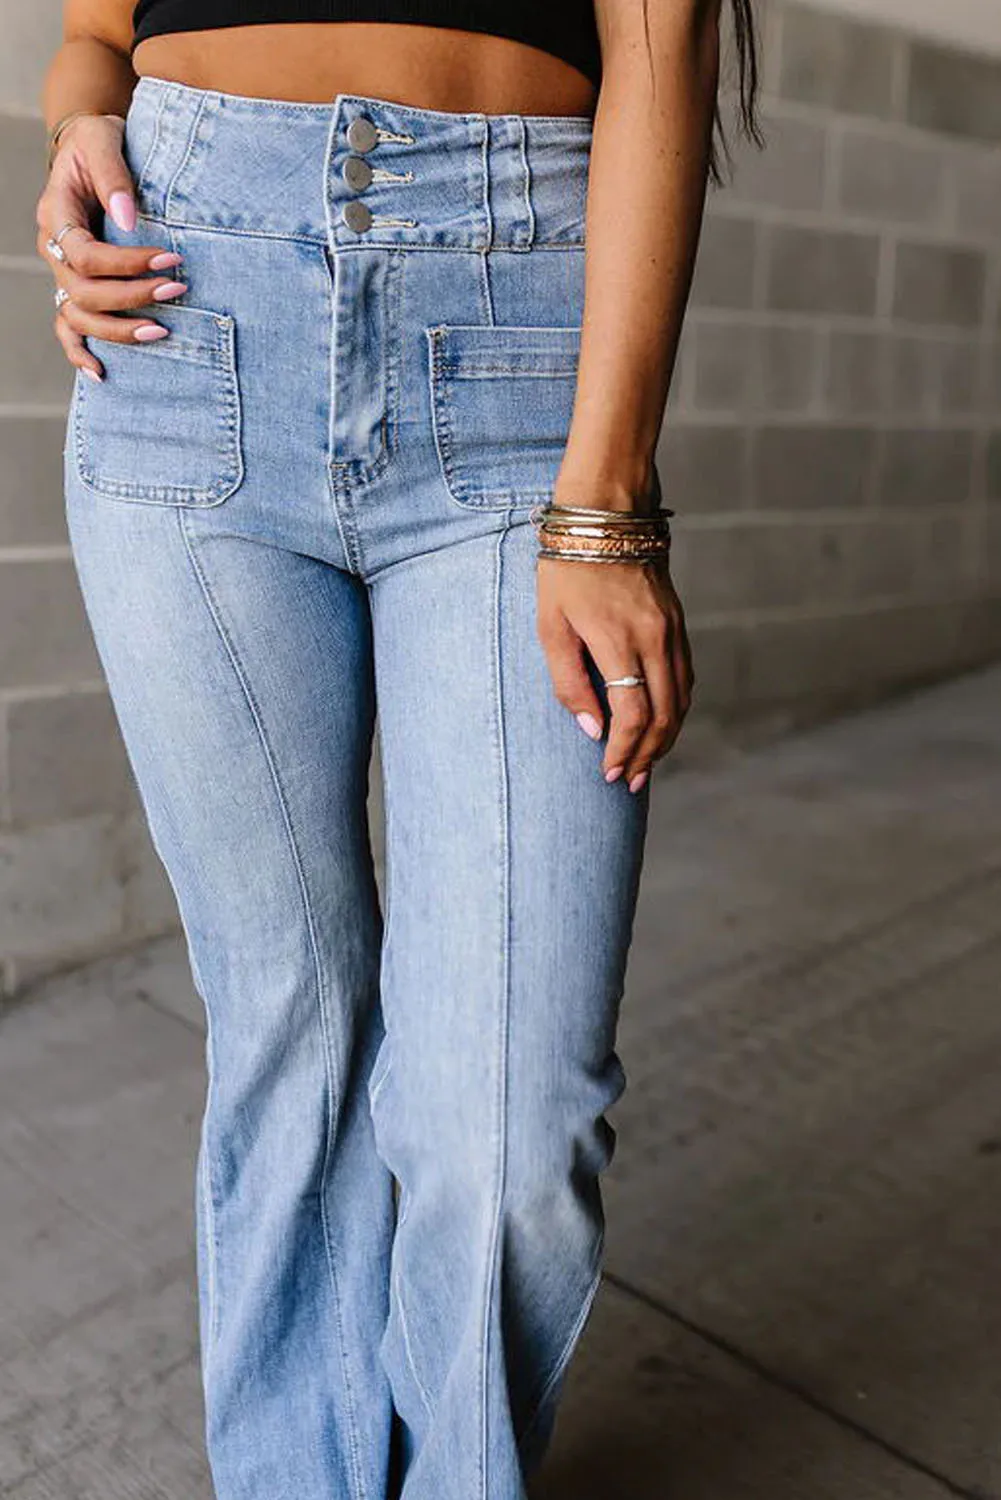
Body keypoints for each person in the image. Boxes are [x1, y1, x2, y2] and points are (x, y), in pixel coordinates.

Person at [36, 1, 757, 1495]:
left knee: (512, 1115)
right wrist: (80, 135)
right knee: (286, 1023)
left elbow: (663, 47)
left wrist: (606, 504)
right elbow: (96, 31)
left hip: (514, 328)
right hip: (185, 307)